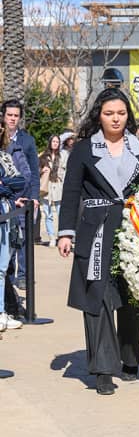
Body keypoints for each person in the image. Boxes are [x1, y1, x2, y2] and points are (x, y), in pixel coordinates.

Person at [58, 89, 139, 395]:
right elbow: (71, 192)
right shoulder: (85, 150)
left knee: (134, 297)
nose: (116, 119)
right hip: (95, 231)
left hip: (133, 231)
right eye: (109, 113)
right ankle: (102, 368)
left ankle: (129, 357)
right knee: (97, 297)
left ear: (129, 115)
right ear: (98, 115)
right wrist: (65, 233)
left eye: (121, 113)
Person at [1, 99, 39, 290]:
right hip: (5, 200)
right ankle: (7, 276)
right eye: (10, 115)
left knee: (23, 240)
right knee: (8, 240)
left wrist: (35, 198)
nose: (13, 119)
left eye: (16, 115)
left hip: (24, 200)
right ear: (3, 116)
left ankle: (23, 276)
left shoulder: (28, 141)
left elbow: (34, 172)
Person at [0, 124, 26, 333]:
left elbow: (19, 181)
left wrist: (3, 186)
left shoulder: (4, 156)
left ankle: (1, 312)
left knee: (2, 268)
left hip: (5, 215)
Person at [39, 135, 68, 247]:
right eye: (53, 141)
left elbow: (66, 170)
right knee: (48, 214)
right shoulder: (43, 155)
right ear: (50, 142)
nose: (55, 143)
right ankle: (51, 237)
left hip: (58, 186)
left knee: (61, 213)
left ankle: (61, 236)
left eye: (57, 142)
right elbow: (36, 169)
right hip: (46, 187)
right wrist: (42, 170)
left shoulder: (63, 155)